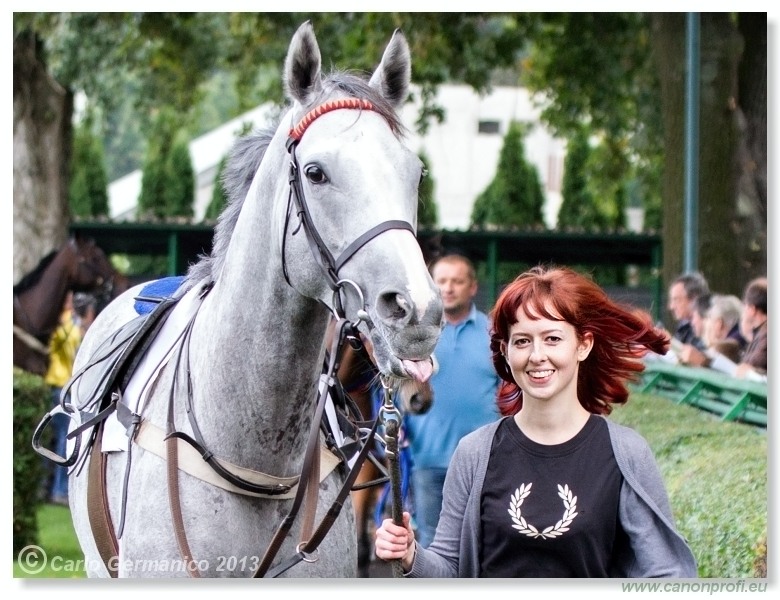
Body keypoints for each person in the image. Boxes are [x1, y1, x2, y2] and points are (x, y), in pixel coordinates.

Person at [375, 265, 697, 577]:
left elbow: (665, 573)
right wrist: (411, 555)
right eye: (522, 341)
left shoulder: (625, 453)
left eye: (553, 338)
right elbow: (450, 568)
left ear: (583, 345)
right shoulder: (475, 453)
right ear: (506, 350)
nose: (536, 355)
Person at [403, 254, 501, 548]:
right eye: (441, 281)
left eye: (457, 281)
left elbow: (510, 396)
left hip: (483, 464)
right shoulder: (414, 336)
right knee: (434, 544)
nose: (448, 288)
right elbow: (396, 394)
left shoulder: (494, 335)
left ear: (472, 287)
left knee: (485, 542)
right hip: (428, 459)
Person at [43, 291, 83, 505]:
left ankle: (42, 486)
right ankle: (60, 489)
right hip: (63, 388)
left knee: (50, 436)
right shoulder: (70, 324)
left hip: (52, 384)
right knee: (63, 440)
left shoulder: (52, 324)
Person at [734, 277, 767, 381]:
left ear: (752, 309)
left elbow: (753, 365)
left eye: (745, 306)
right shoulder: (762, 332)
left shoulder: (767, 334)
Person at [667, 272, 710, 347]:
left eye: (676, 300)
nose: (671, 307)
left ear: (694, 299)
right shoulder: (684, 325)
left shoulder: (709, 328)